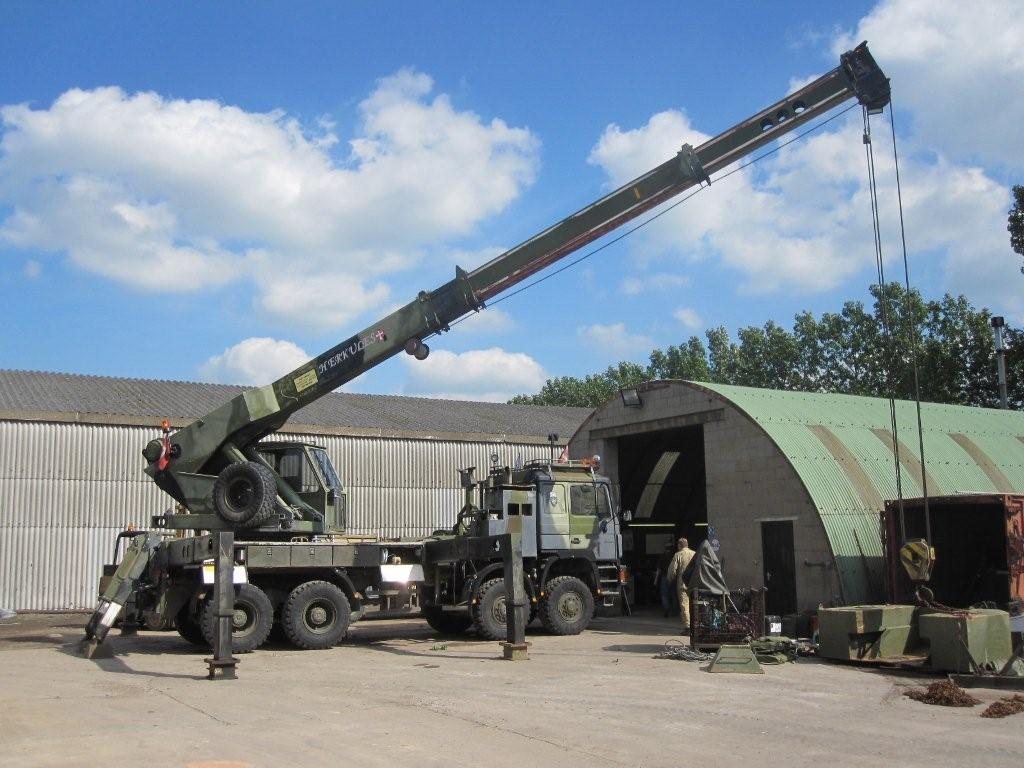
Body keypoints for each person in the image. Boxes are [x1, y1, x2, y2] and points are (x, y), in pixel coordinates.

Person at [666, 537, 696, 633]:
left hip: (682, 585)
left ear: (679, 545)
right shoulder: (695, 554)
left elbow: (672, 570)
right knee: (695, 604)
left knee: (684, 605)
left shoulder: (678, 555)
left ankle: (688, 627)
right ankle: (696, 625)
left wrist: (670, 579)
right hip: (694, 585)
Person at [654, 543, 676, 617]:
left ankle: (666, 608)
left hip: (664, 577)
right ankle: (674, 611)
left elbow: (659, 569)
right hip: (673, 577)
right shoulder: (675, 556)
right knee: (673, 594)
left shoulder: (662, 556)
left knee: (664, 594)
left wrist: (656, 580)